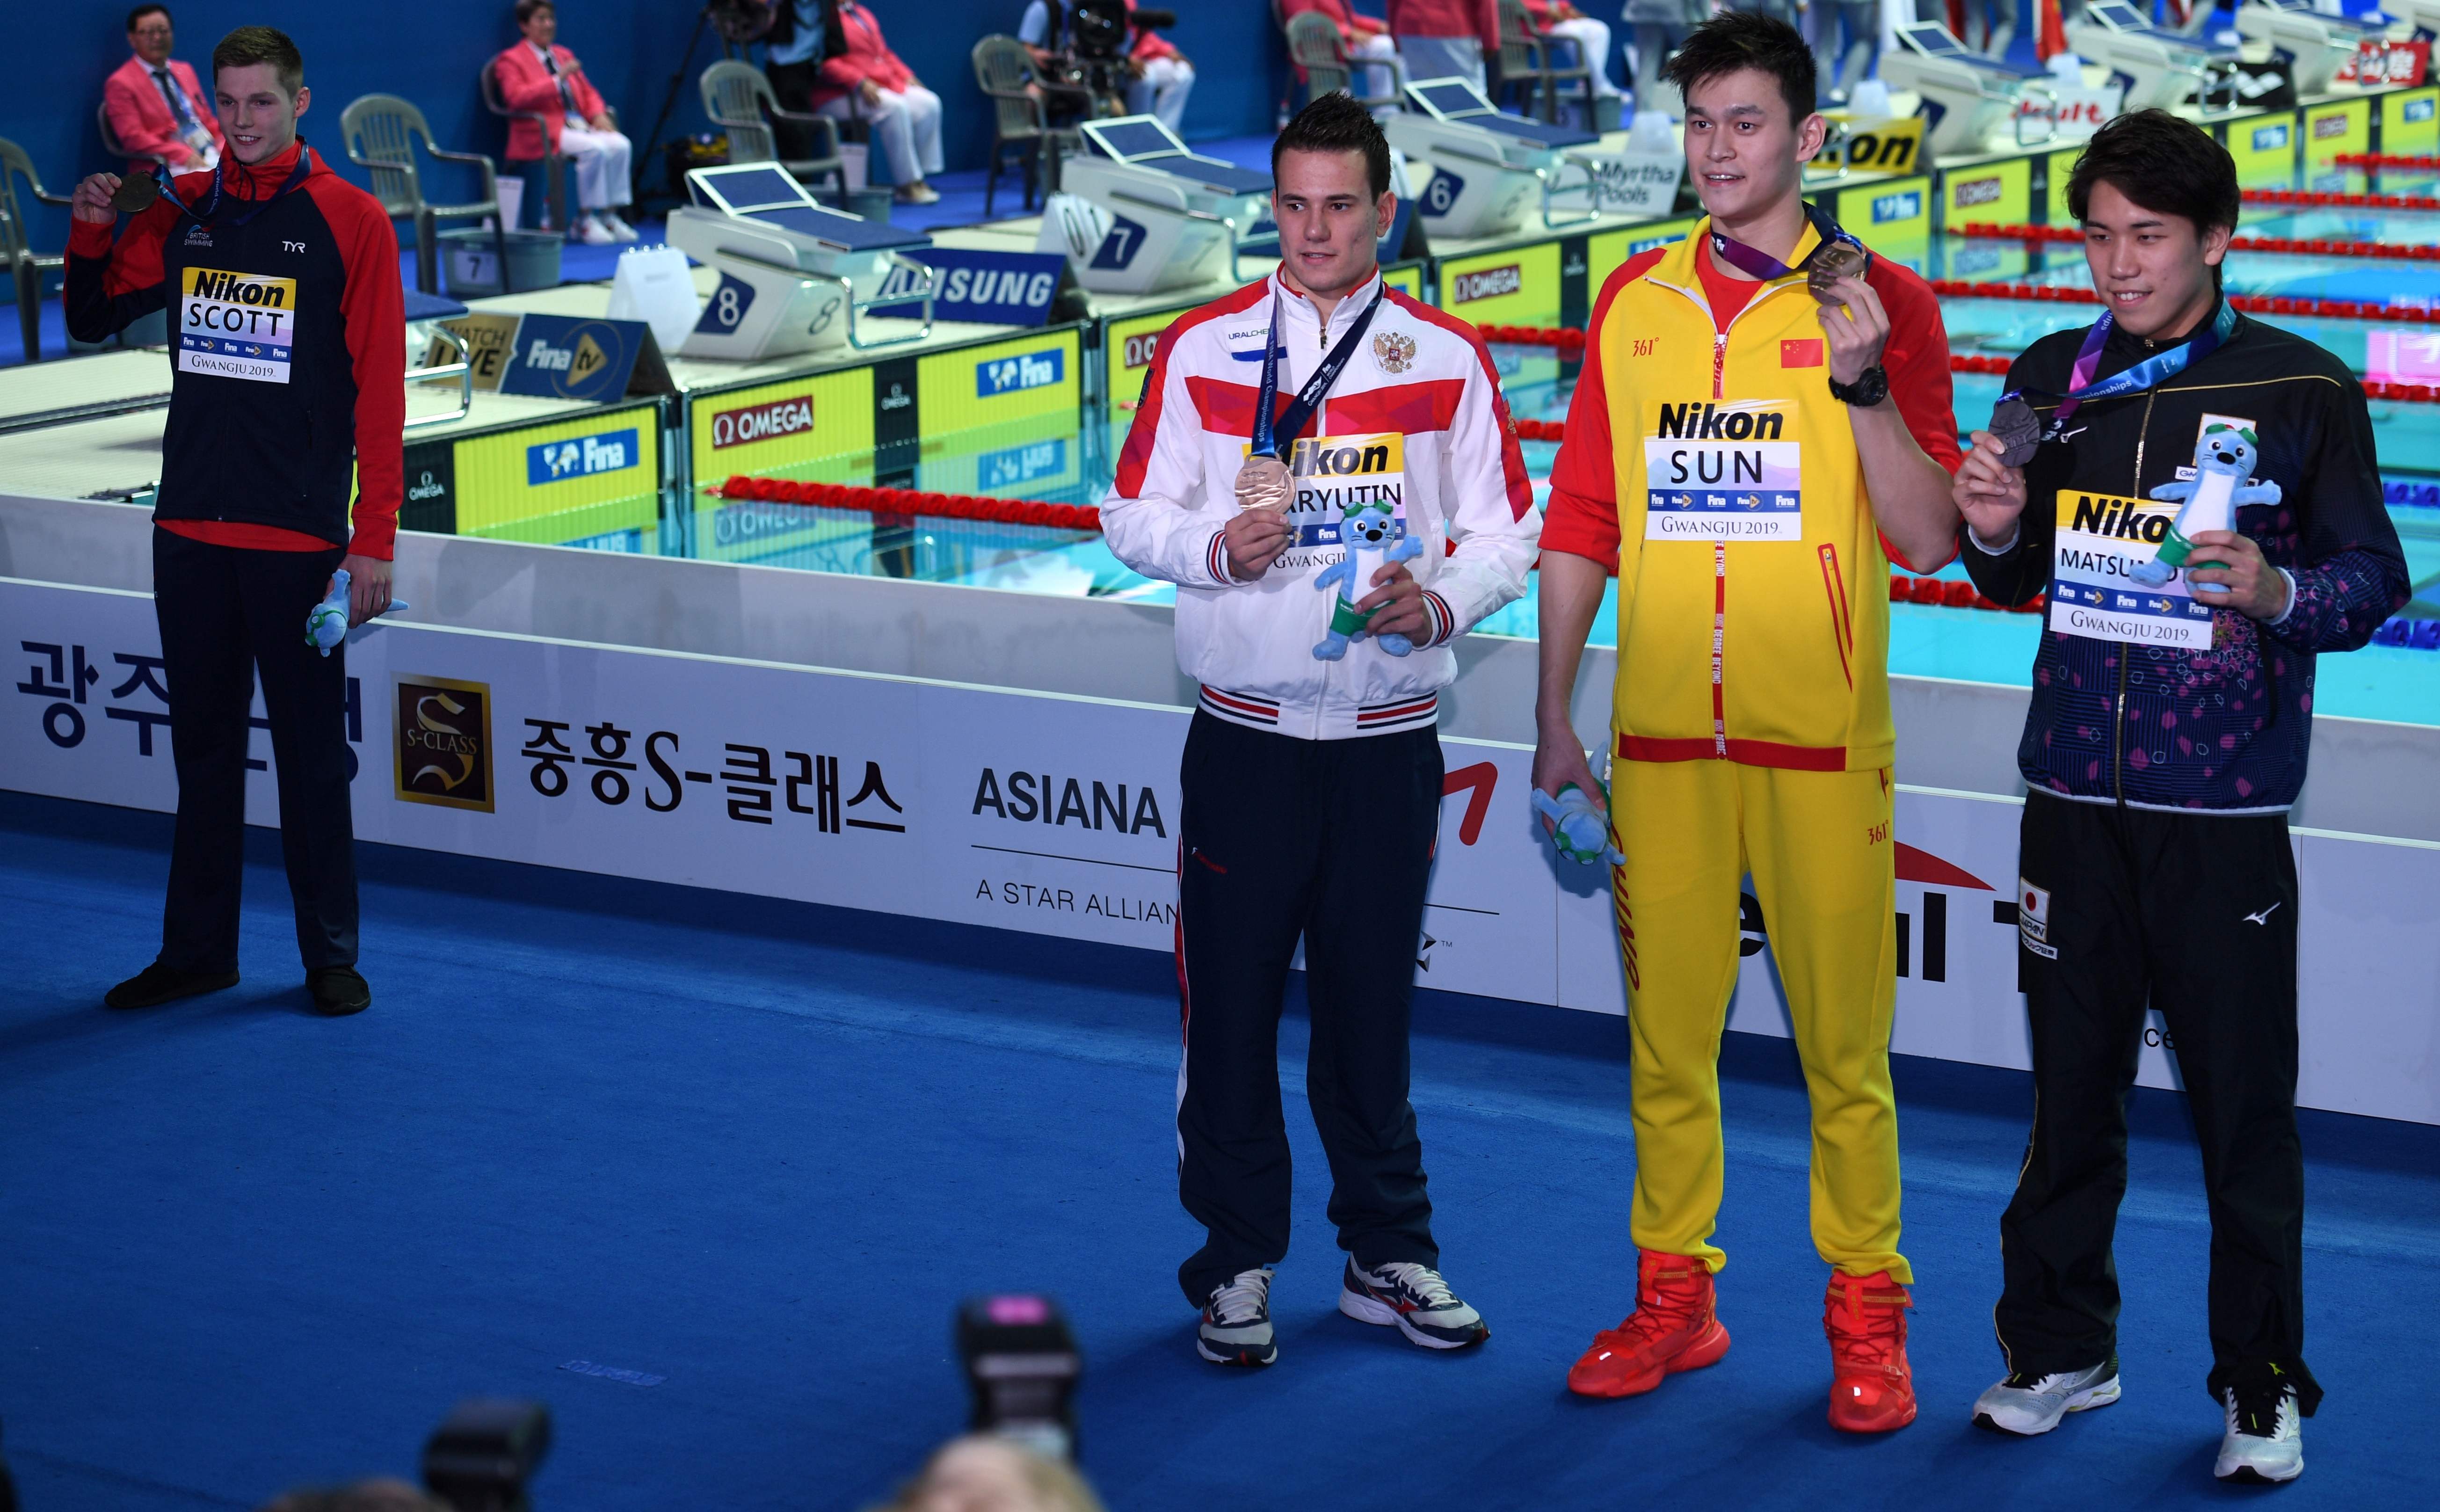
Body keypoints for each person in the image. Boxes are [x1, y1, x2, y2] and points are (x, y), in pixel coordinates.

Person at [1951, 109, 2408, 1487]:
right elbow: (2009, 571)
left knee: (2239, 1113)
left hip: (2218, 822)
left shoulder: (2302, 389)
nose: (2114, 263)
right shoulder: (2051, 374)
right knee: (2066, 1098)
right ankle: (2057, 1351)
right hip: (2068, 805)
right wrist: (1987, 524)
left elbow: (2371, 584)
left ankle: (2258, 1384)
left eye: (2144, 238)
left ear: (2214, 240)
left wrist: (2275, 591)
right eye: (2095, 236)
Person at [1533, 11, 1964, 1432]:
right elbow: (1585, 519)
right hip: (1659, 740)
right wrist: (1552, 717)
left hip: (1815, 746)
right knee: (1667, 1047)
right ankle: (1677, 1297)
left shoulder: (1882, 303)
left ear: (1807, 138)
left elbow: (1921, 542)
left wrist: (1855, 386)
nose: (1717, 151)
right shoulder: (1636, 301)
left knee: (1845, 1055)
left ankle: (1866, 1314)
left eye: (1745, 125)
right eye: (1699, 123)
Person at [1099, 92, 1538, 1369]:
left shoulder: (1447, 359)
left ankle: (1383, 1253)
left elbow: (1512, 525)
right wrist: (1214, 549)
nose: (1314, 230)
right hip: (1244, 740)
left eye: (1340, 205)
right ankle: (1235, 1265)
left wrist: (1445, 595)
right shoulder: (1204, 349)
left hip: (1388, 739)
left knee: (1369, 1017)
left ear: (1384, 211)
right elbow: (1129, 513)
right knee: (1228, 1013)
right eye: (1293, 205)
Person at [65, 25, 403, 1019]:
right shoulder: (182, 208)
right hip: (189, 536)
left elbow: (380, 390)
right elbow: (91, 313)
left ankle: (330, 953)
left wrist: (373, 535)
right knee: (203, 752)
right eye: (229, 102)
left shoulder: (352, 220)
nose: (243, 122)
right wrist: (91, 226)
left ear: (300, 101)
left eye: (262, 102)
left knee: (309, 760)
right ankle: (197, 951)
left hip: (298, 542)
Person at [493, 0, 636, 244]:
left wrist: (598, 114)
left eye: (551, 19)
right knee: (595, 149)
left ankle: (610, 215)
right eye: (541, 19)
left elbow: (588, 92)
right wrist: (556, 80)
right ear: (524, 25)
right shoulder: (510, 60)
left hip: (578, 125)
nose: (548, 25)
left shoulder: (563, 55)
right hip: (542, 131)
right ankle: (584, 220)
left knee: (620, 144)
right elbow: (515, 98)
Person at [807, 0, 944, 205]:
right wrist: (859, 82)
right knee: (894, 108)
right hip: (837, 94)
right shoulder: (823, 17)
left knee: (928, 103)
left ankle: (920, 177)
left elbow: (883, 54)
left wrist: (906, 75)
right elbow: (823, 61)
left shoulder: (861, 12)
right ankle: (906, 185)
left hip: (881, 84)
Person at [103, 5, 224, 174]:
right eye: (149, 32)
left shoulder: (185, 70)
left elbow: (206, 119)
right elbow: (133, 138)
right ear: (132, 39)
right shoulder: (121, 83)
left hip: (206, 150)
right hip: (167, 163)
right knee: (220, 182)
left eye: (163, 31)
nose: (158, 37)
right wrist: (180, 153)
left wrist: (224, 141)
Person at [1283, 0, 1407, 104]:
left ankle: (1386, 108)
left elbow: (1349, 20)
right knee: (1339, 105)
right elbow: (1306, 23)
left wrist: (1377, 26)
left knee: (1387, 48)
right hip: (1319, 53)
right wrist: (1348, 32)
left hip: (1345, 48)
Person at [1385, 0, 1498, 93]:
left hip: (1410, 27)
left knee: (1423, 96)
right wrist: (1491, 41)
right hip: (1454, 28)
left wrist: (1395, 37)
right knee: (1470, 96)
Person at [1524, 0, 1624, 105]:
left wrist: (1567, 9)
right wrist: (1547, 10)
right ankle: (1599, 85)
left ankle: (1587, 84)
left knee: (1599, 29)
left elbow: (1558, 3)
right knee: (1573, 32)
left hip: (1558, 22)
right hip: (1536, 26)